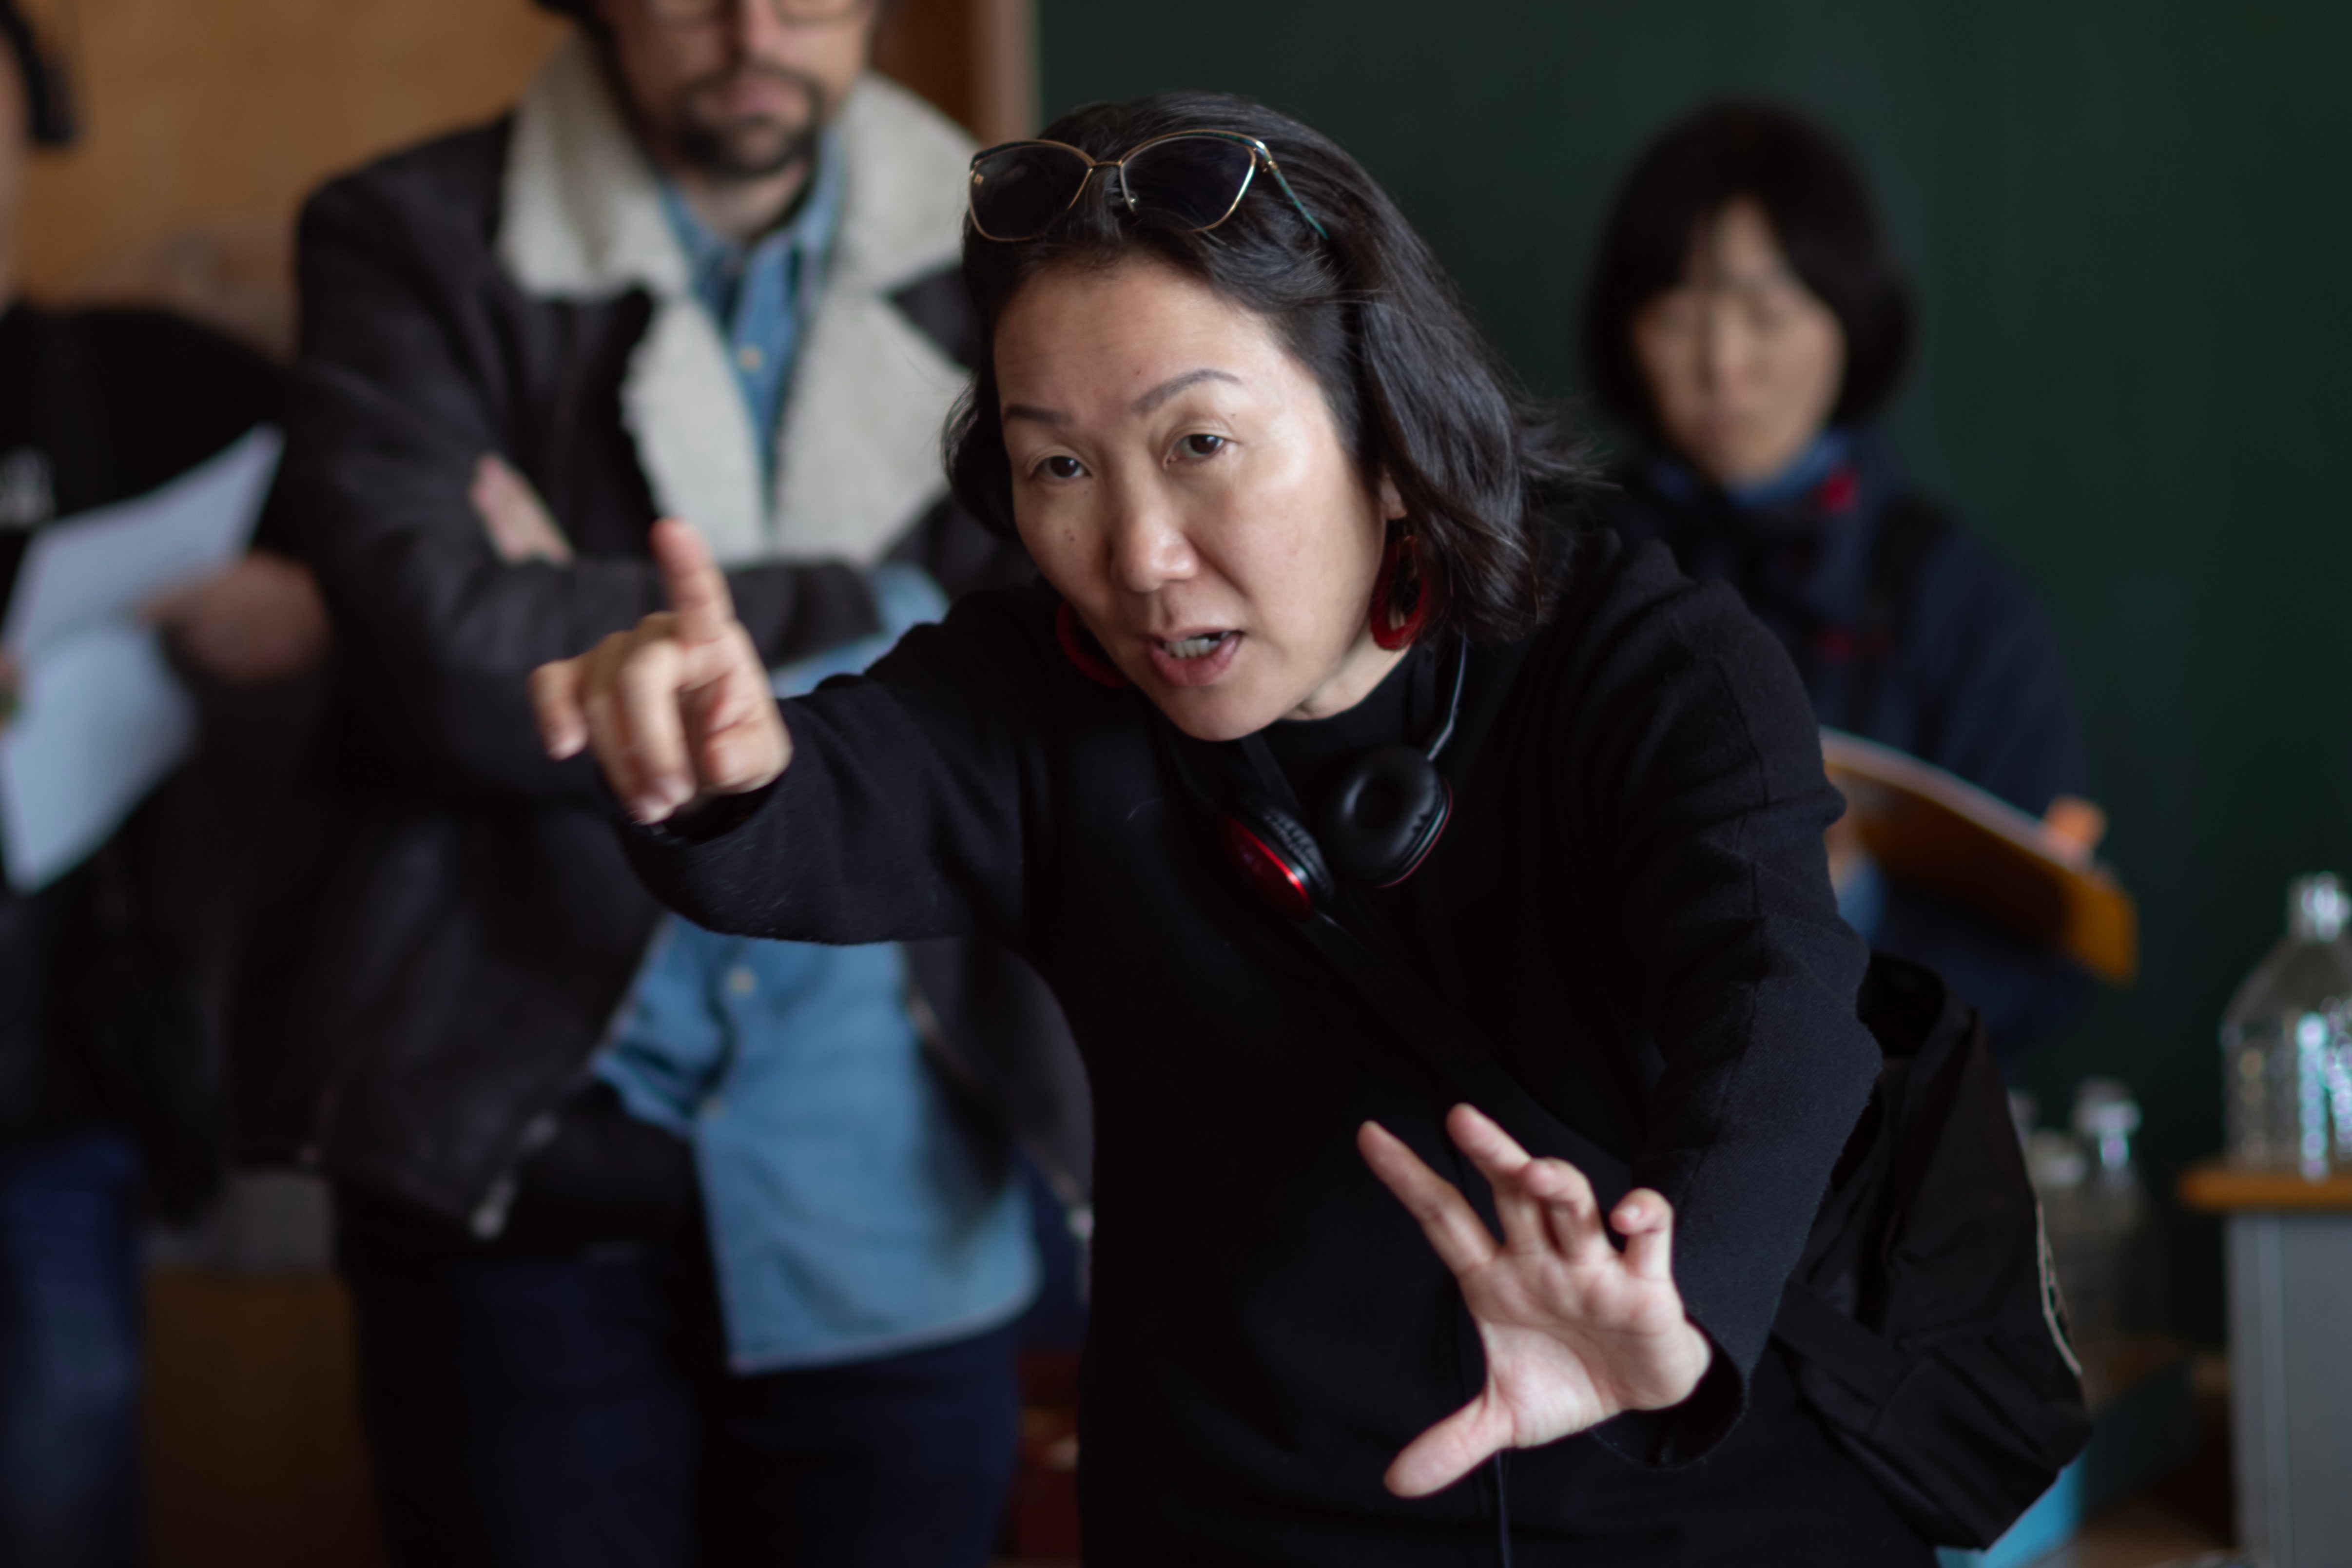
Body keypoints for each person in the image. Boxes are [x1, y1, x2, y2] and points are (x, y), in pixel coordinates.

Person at [531, 90, 1938, 1565]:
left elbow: (1779, 998)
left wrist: (1673, 1311)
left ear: (1383, 430)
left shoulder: (1651, 662)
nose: (1136, 555)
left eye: (1197, 440)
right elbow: (816, 807)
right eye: (1058, 467)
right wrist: (712, 760)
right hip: (1242, 1517)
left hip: (1686, 1497)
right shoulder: (1040, 694)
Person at [230, 1, 1087, 1564]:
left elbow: (1054, 656)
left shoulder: (1018, 239)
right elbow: (440, 654)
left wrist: (594, 599)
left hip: (891, 1163)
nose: (755, 28)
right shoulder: (411, 234)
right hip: (524, 1138)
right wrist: (883, 610)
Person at [0, 4, 328, 1563]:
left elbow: (383, 548)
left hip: (50, 1082)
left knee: (61, 1497)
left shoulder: (146, 384)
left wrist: (297, 615)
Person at [1581, 99, 2096, 1056]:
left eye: (1767, 311)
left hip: (1872, 1154)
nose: (1721, 364)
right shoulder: (1560, 565)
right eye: (1677, 310)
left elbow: (2041, 973)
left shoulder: (1953, 599)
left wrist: (1851, 900)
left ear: (1848, 316)